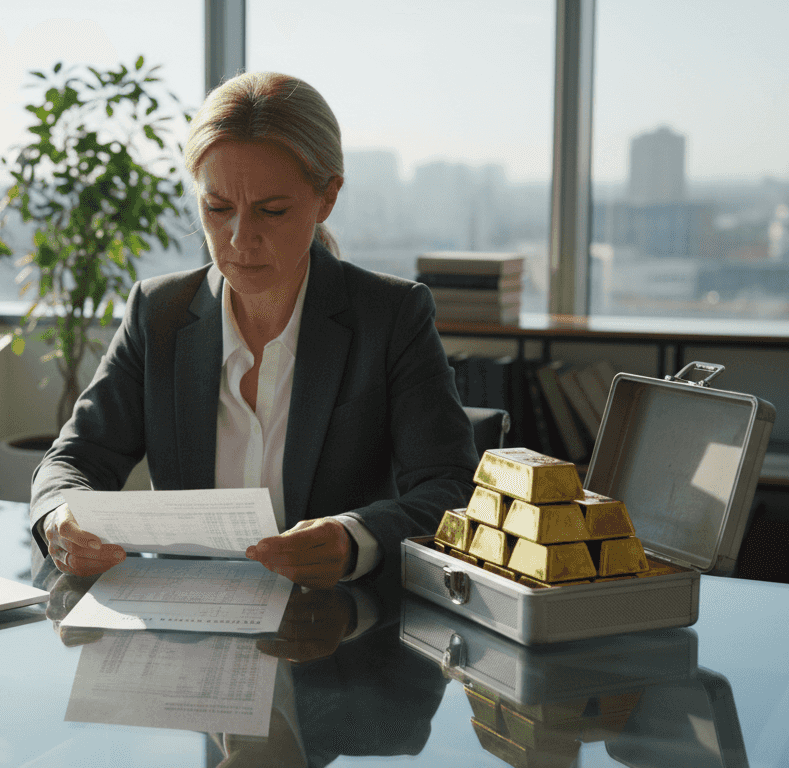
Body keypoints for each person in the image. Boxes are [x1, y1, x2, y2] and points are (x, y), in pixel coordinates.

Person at [29, 71, 477, 588]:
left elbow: (450, 488)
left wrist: (354, 537)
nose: (240, 239)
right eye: (217, 209)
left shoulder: (391, 315)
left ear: (326, 198)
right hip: (188, 629)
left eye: (272, 211)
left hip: (337, 631)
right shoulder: (158, 314)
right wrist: (61, 517)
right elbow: (75, 458)